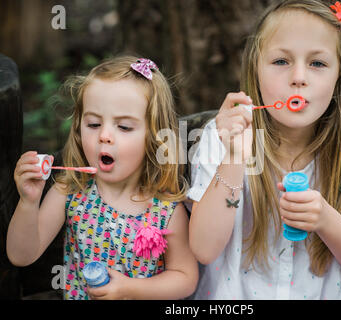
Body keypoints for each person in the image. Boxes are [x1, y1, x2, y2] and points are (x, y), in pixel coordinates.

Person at [187, 0, 341, 299]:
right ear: (255, 71)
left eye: (317, 63)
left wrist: (325, 220)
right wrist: (234, 158)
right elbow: (204, 249)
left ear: (339, 77)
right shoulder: (223, 137)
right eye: (281, 61)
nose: (298, 77)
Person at [7, 56, 198, 300]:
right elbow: (22, 255)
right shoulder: (70, 190)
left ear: (154, 138)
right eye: (94, 124)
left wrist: (128, 288)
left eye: (124, 127)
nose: (104, 136)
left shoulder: (166, 209)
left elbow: (185, 278)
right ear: (78, 128)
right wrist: (28, 202)